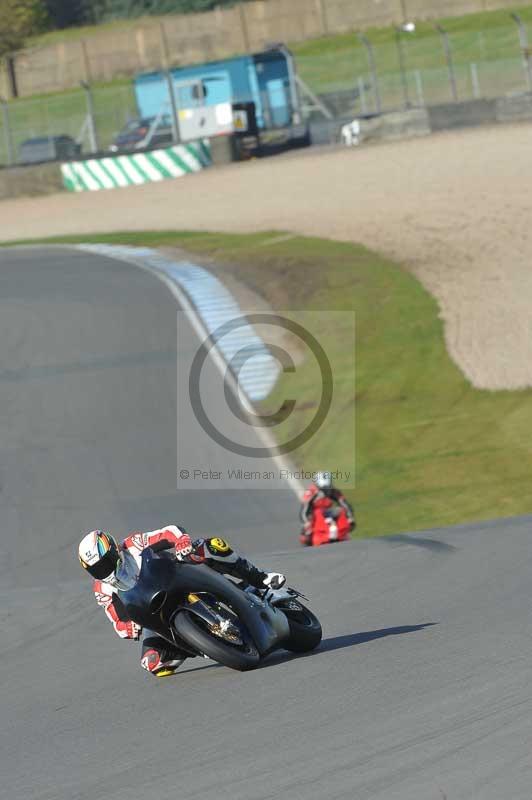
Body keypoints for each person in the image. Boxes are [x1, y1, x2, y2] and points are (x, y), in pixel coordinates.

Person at [78, 526, 286, 678]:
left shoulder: (133, 544)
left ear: (114, 550)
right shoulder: (102, 589)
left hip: (175, 573)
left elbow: (170, 532)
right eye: (96, 569)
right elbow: (118, 622)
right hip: (154, 608)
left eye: (105, 562)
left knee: (211, 546)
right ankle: (201, 644)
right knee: (152, 663)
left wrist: (181, 543)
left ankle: (260, 578)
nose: (103, 570)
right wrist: (128, 628)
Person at [300, 471, 355, 546]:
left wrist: (350, 517)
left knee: (340, 511)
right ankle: (314, 534)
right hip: (314, 513)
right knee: (305, 536)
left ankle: (341, 531)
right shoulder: (311, 492)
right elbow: (304, 509)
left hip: (328, 511)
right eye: (324, 489)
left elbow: (344, 504)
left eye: (327, 488)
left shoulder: (334, 491)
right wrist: (306, 522)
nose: (326, 491)